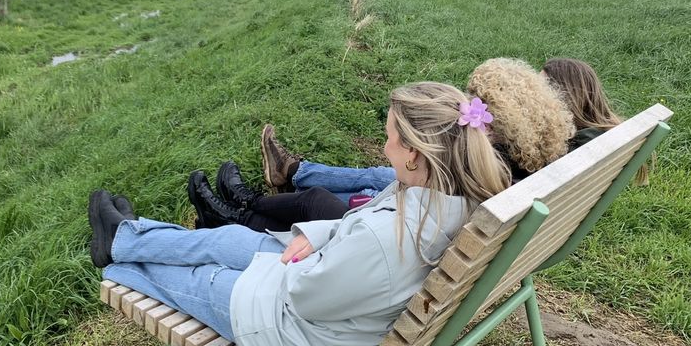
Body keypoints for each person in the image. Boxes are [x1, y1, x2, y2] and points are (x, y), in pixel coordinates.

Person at [89, 82, 509, 346]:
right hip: (341, 306)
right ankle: (127, 236)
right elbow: (356, 232)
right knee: (229, 240)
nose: (384, 149)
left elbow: (306, 297)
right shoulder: (447, 194)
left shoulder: (387, 240)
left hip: (299, 339)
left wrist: (287, 261)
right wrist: (320, 237)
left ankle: (118, 259)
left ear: (414, 153)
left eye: (389, 138)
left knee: (203, 277)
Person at [188, 58, 575, 231]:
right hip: (429, 234)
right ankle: (250, 200)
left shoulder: (487, 170)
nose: (466, 110)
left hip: (405, 242)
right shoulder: (517, 167)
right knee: (363, 183)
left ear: (504, 121)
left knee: (317, 201)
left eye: (476, 105)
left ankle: (242, 208)